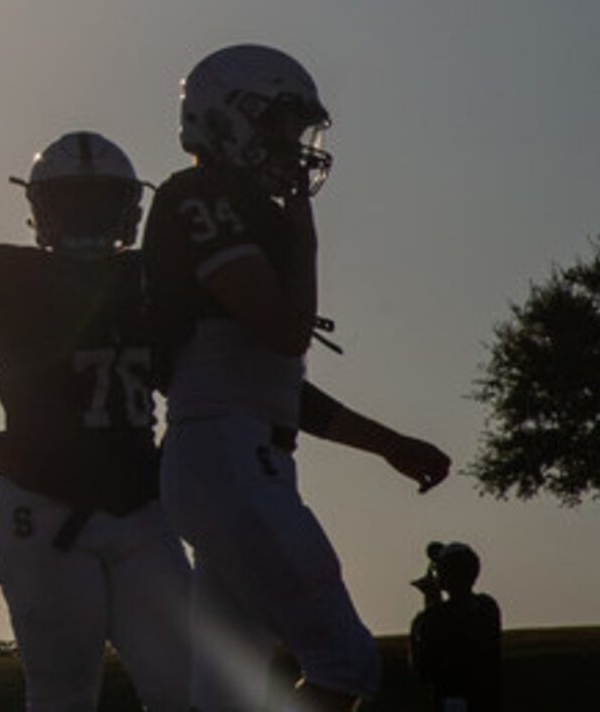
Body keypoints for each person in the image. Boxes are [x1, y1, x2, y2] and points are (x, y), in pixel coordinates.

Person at [144, 45, 451, 711]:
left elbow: (275, 387)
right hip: (227, 458)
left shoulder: (233, 206)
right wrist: (302, 240)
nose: (293, 142)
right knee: (343, 659)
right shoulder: (197, 196)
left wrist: (388, 444)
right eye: (282, 123)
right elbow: (282, 331)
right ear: (231, 118)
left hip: (236, 452)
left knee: (223, 692)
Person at [0, 132, 191, 712]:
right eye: (75, 201)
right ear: (41, 210)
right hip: (42, 511)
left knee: (184, 688)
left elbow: (210, 377)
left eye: (101, 200)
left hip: (145, 509)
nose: (90, 215)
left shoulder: (152, 277)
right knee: (63, 696)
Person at [405, 541, 501, 712]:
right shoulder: (488, 607)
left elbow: (423, 668)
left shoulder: (430, 619)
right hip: (487, 700)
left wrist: (431, 599)